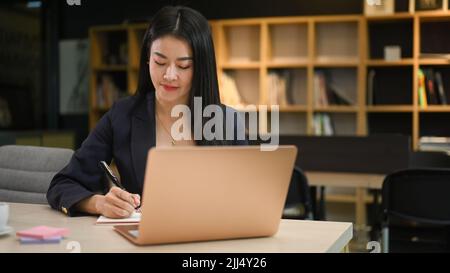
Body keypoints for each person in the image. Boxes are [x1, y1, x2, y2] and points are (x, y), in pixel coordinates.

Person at [47, 6, 247, 218]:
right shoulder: (122, 116)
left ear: (201, 68)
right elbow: (62, 185)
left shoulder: (227, 122)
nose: (169, 75)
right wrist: (99, 203)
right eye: (160, 62)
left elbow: (251, 196)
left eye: (183, 66)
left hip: (212, 241)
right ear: (147, 60)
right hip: (144, 242)